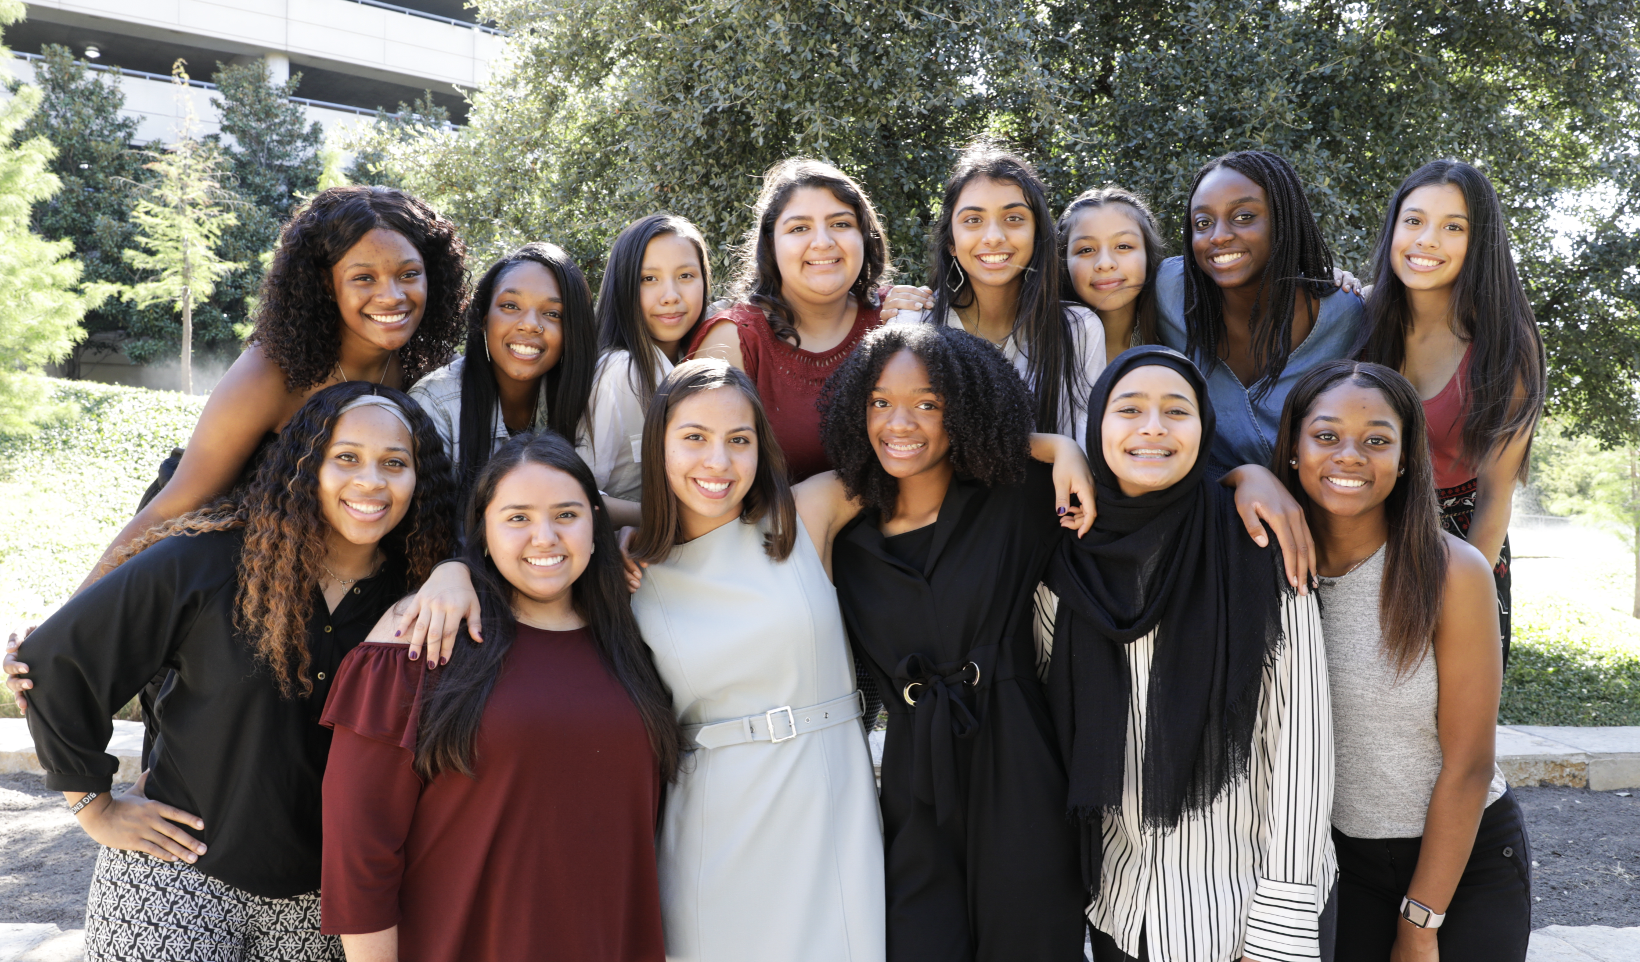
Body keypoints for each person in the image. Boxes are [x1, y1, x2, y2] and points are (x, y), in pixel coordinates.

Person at [16, 384, 457, 962]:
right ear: (306, 466)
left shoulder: (423, 600)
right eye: (345, 457)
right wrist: (95, 809)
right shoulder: (209, 560)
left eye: (395, 463)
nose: (371, 480)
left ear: (418, 481)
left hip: (324, 899)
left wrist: (457, 570)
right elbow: (57, 662)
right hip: (177, 872)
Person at [320, 431, 681, 962]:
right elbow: (360, 835)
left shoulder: (635, 638)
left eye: (566, 515)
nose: (545, 538)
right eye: (517, 517)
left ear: (597, 528)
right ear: (483, 533)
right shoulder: (423, 631)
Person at [1047, 346, 1336, 962]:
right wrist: (1051, 448)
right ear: (1096, 425)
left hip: (1239, 910)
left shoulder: (1260, 547)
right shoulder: (1066, 562)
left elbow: (1300, 747)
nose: (1153, 426)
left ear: (1204, 429)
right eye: (1129, 409)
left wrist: (1281, 920)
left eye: (1177, 410)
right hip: (1118, 906)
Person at [819, 324, 1096, 962]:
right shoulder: (848, 543)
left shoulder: (1021, 499)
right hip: (913, 782)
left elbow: (1152, 487)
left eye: (928, 402)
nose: (900, 422)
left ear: (964, 409)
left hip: (1021, 769)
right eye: (880, 402)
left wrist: (1248, 478)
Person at [624, 358, 887, 962]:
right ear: (657, 446)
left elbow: (920, 452)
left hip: (831, 808)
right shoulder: (633, 571)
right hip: (714, 829)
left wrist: (1059, 449)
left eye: (738, 441)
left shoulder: (803, 514)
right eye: (693, 438)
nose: (718, 462)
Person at [82, 186, 466, 591]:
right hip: (224, 572)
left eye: (409, 274)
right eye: (364, 278)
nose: (391, 296)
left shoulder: (424, 371)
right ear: (325, 282)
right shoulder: (270, 372)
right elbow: (176, 506)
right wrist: (63, 625)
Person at [1274, 360, 1529, 961]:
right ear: (1293, 448)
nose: (1350, 456)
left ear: (1407, 456)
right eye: (1327, 435)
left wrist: (1420, 924)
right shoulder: (1268, 567)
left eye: (1377, 440)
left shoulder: (1453, 571)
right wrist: (1242, 478)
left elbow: (1469, 765)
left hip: (1461, 861)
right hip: (1336, 864)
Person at [1353, 160, 1544, 667]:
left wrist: (1461, 599)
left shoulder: (1506, 345)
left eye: (1453, 227)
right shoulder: (1358, 320)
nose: (1427, 240)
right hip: (1360, 539)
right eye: (1413, 221)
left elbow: (1497, 493)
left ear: (1478, 241)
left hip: (1459, 547)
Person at [1156, 149, 1366, 477]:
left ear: (1284, 221)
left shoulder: (1344, 316)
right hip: (1203, 506)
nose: (1219, 235)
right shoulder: (1169, 291)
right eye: (1203, 222)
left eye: (1244, 216)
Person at [886, 145, 1106, 444]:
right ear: (951, 242)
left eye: (1014, 218)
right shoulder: (913, 325)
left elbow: (1084, 445)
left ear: (1038, 234)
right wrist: (1050, 448)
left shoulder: (1077, 329)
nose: (993, 237)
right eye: (973, 220)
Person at [687, 157, 890, 481]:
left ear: (864, 236)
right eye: (799, 228)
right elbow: (702, 476)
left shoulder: (897, 317)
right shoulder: (734, 342)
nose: (823, 242)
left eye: (841, 224)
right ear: (771, 244)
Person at [408, 241, 597, 492]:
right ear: (484, 320)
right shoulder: (435, 404)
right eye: (510, 306)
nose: (529, 325)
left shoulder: (588, 396)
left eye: (553, 313)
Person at [585, 214, 712, 513]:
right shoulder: (619, 371)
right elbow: (579, 494)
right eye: (649, 279)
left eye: (686, 276)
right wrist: (666, 521)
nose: (670, 296)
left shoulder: (697, 362)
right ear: (623, 287)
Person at [1057, 186, 1167, 352]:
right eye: (1086, 250)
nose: (1105, 263)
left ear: (1148, 254)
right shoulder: (1035, 348)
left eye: (1123, 246)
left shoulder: (1179, 342)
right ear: (1064, 262)